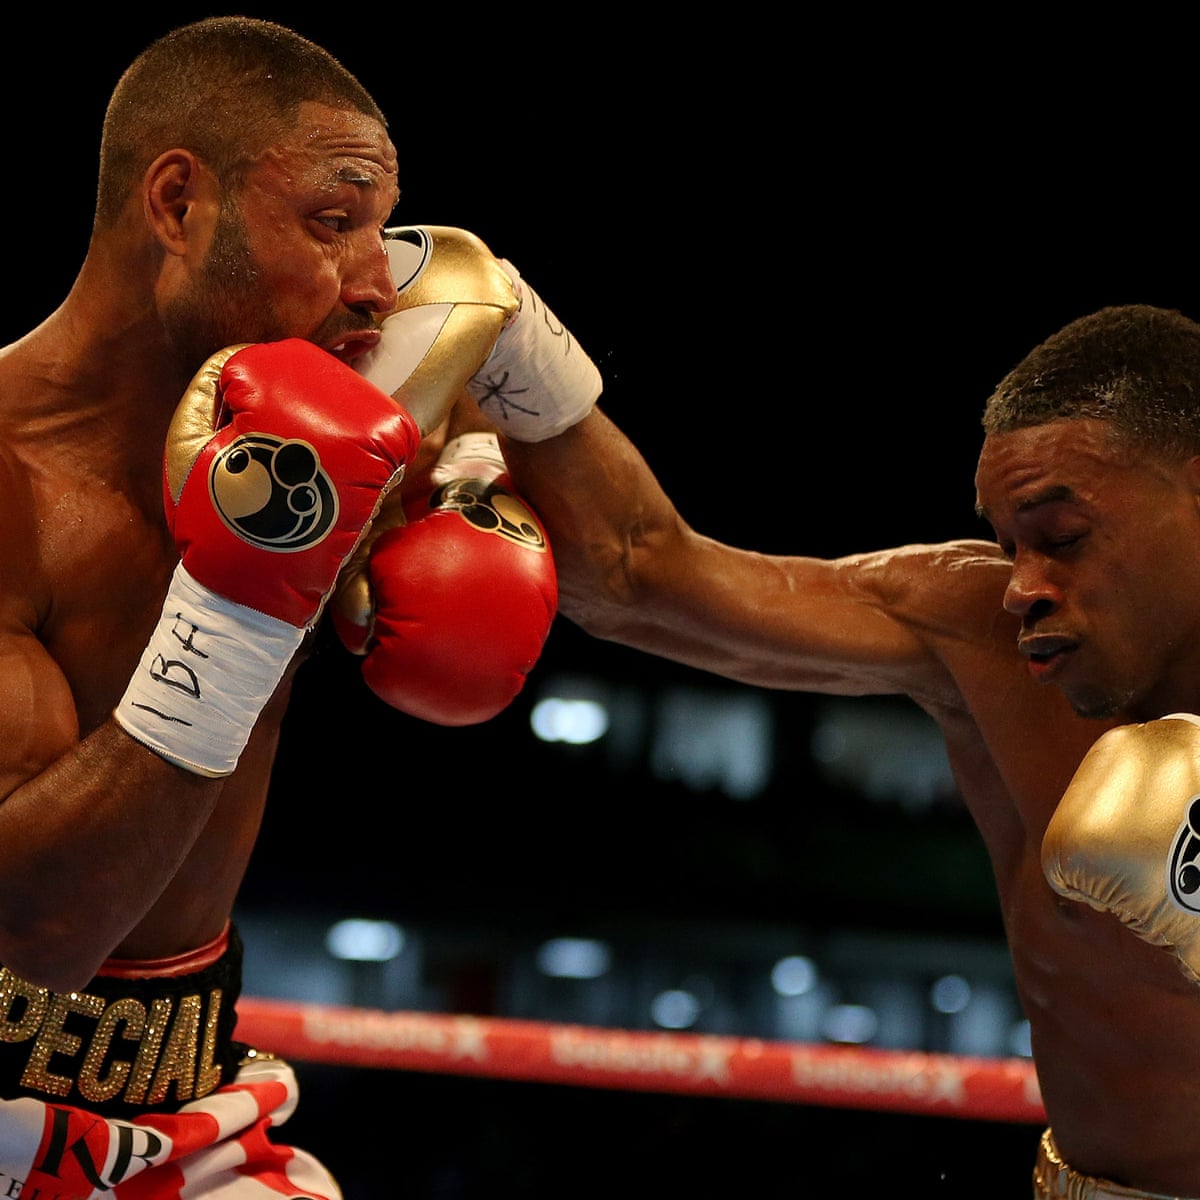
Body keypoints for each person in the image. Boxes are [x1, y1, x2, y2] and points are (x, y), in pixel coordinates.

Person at [0, 17, 563, 1197]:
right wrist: (248, 608)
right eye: (331, 219)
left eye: (380, 224)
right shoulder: (8, 478)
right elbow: (33, 933)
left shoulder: (345, 411)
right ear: (176, 206)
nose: (375, 276)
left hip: (196, 1116)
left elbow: (650, 565)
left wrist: (529, 365)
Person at [480, 301, 1200, 1196]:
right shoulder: (980, 633)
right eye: (1009, 543)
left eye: (1063, 539)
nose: (1023, 588)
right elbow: (636, 575)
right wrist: (508, 348)